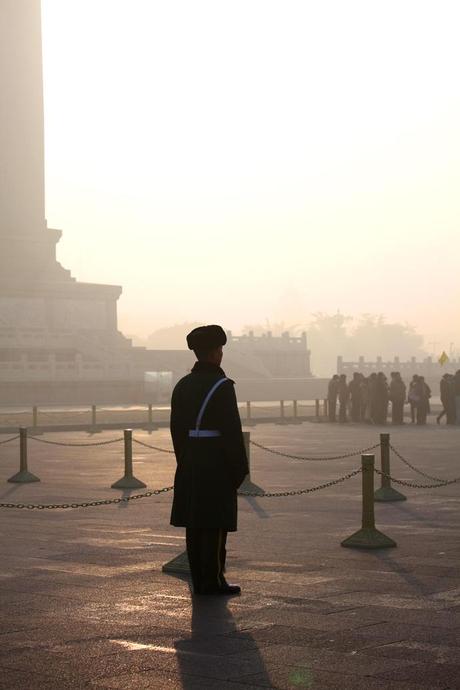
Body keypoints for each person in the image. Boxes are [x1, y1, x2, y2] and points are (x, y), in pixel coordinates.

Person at [170, 325, 249, 596]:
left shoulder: (182, 385)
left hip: (190, 459)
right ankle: (213, 580)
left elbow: (176, 430)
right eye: (220, 350)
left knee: (194, 522)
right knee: (214, 522)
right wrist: (239, 469)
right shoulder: (222, 386)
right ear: (215, 353)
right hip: (216, 462)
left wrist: (185, 458)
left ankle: (199, 577)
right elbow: (231, 431)